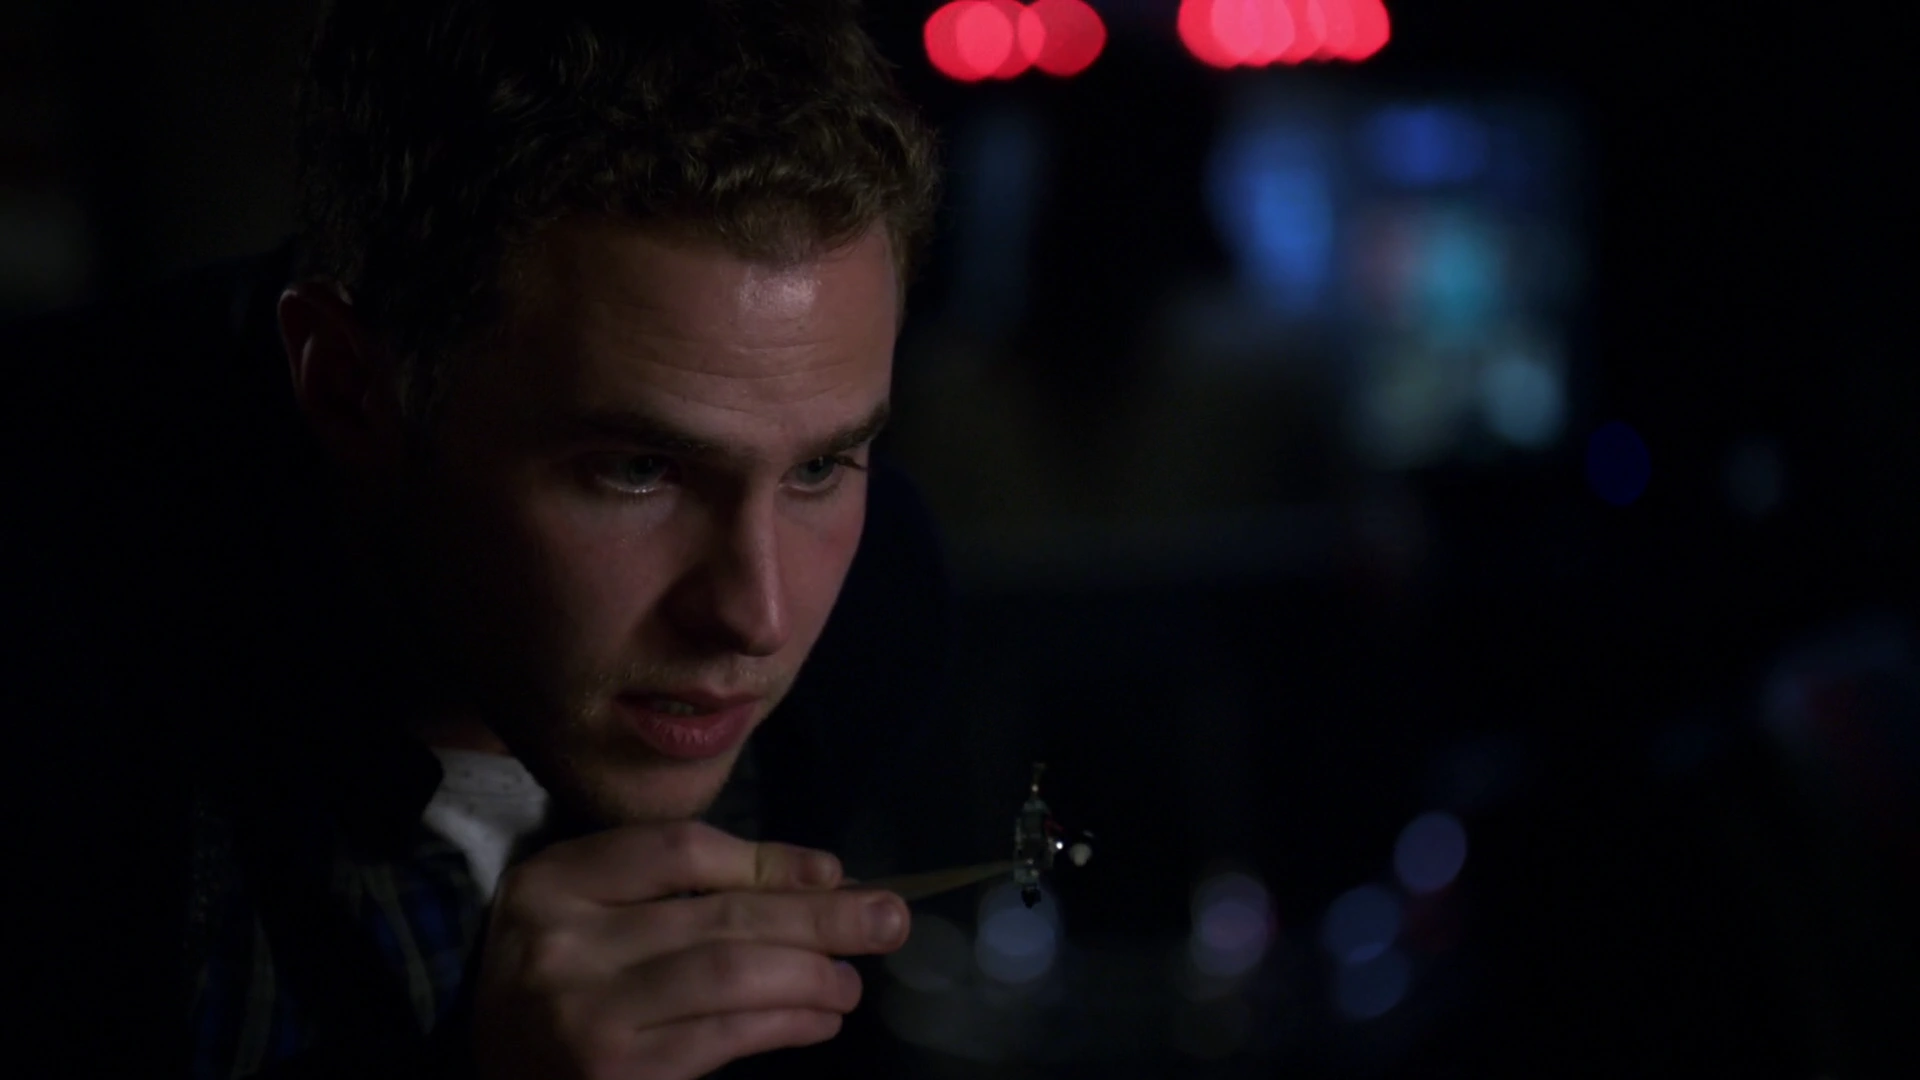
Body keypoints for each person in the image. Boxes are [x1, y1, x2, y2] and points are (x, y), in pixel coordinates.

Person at [4, 1, 953, 1077]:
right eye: (639, 469)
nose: (757, 614)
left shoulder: (877, 629)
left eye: (819, 467)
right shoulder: (55, 671)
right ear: (352, 389)